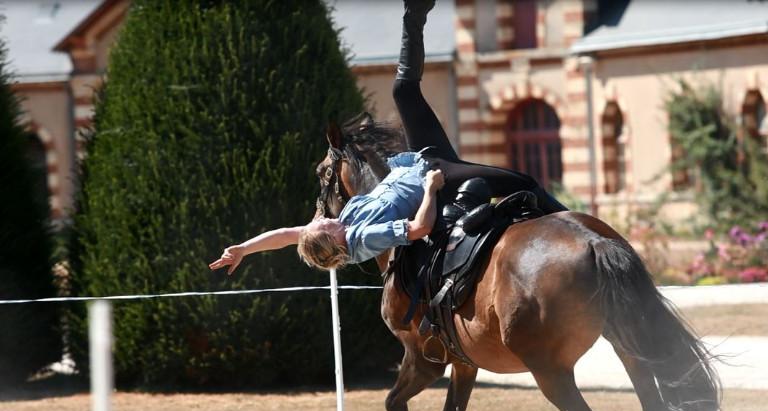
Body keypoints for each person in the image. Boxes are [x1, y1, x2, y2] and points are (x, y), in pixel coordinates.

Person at [209, 0, 567, 274]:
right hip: (436, 179)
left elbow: (287, 233)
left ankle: (415, 10)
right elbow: (418, 227)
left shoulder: (343, 221)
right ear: (334, 242)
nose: (321, 218)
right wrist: (429, 188)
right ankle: (579, 228)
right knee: (523, 182)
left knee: (403, 92)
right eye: (323, 226)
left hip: (421, 157)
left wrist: (242, 248)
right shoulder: (363, 239)